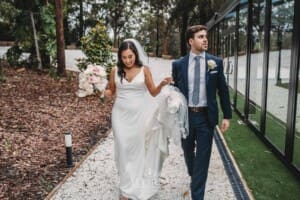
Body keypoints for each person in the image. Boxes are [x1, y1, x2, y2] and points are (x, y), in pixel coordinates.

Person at [104, 39, 172, 200]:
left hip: (138, 116)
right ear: (120, 58)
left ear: (135, 54)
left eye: (130, 56)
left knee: (136, 150)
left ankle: (134, 185)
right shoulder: (115, 71)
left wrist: (162, 84)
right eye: (124, 57)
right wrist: (100, 87)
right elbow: (111, 91)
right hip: (119, 115)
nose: (127, 60)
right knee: (123, 149)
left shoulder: (144, 70)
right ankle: (125, 187)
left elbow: (153, 92)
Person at [172, 25, 232, 200]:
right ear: (191, 41)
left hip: (206, 117)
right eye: (200, 37)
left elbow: (223, 90)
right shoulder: (178, 64)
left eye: (205, 36)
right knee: (189, 153)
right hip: (186, 116)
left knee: (203, 159)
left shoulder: (216, 63)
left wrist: (227, 115)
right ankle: (194, 174)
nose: (205, 39)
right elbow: (175, 90)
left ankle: (197, 195)